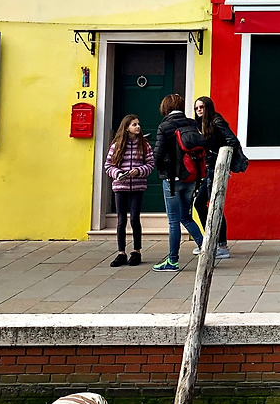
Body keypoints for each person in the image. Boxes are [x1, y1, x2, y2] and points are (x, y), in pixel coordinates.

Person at [150, 93, 204, 272]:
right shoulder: (192, 124)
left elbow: (158, 154)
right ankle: (205, 249)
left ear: (165, 108)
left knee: (173, 221)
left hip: (172, 180)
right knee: (185, 217)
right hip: (191, 177)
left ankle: (172, 261)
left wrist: (162, 170)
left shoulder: (164, 126)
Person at [194, 95, 243, 261]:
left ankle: (222, 246)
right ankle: (210, 241)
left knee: (215, 205)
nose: (198, 110)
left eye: (201, 107)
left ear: (208, 107)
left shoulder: (216, 122)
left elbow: (232, 141)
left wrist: (221, 159)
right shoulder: (202, 125)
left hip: (216, 169)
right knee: (200, 204)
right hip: (209, 169)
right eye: (196, 108)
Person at [103, 114, 153, 268]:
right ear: (126, 128)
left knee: (134, 219)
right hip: (120, 187)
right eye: (134, 124)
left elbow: (150, 164)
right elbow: (108, 166)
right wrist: (118, 173)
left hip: (138, 186)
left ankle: (137, 251)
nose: (138, 127)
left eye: (138, 124)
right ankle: (121, 253)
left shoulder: (144, 145)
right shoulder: (116, 146)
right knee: (121, 220)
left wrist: (138, 171)